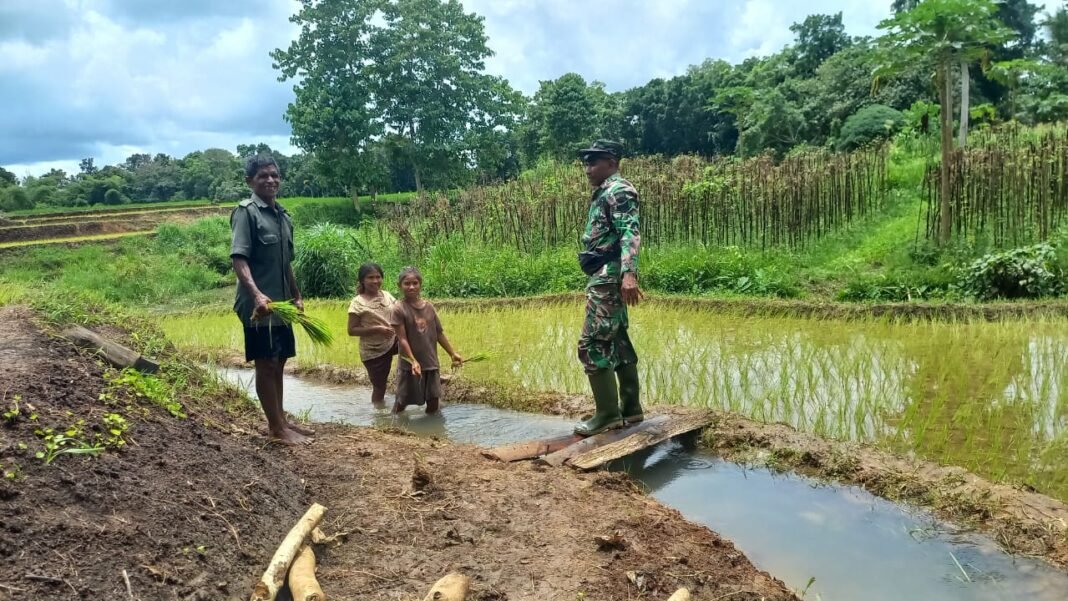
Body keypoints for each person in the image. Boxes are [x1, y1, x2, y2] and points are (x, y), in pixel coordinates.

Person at [230, 154, 312, 446]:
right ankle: (276, 429)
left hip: (281, 305)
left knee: (279, 361)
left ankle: (281, 421)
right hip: (258, 307)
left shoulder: (282, 216)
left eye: (274, 175)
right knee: (265, 363)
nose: (270, 180)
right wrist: (256, 294)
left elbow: (285, 263)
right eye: (263, 176)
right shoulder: (246, 212)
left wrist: (297, 295)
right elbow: (239, 258)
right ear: (250, 181)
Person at [573, 139, 644, 436]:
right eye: (586, 163)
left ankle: (607, 414)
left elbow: (630, 230)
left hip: (609, 273)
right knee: (616, 340)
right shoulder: (605, 191)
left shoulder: (619, 191)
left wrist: (629, 274)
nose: (587, 169)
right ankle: (630, 409)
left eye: (594, 162)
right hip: (605, 271)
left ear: (612, 162)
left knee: (591, 344)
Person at [390, 267, 463, 415]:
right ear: (400, 285)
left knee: (433, 400)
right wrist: (413, 360)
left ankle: (431, 434)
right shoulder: (399, 309)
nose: (411, 287)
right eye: (407, 283)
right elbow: (402, 338)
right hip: (409, 365)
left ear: (420, 284)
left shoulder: (429, 307)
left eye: (415, 283)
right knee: (402, 400)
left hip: (430, 363)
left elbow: (439, 333)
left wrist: (452, 353)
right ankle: (391, 428)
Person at [347, 262, 398, 409]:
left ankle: (431, 375)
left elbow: (399, 312)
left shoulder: (387, 295)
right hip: (373, 350)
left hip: (393, 340)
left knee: (416, 343)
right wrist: (377, 329)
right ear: (362, 280)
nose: (375, 281)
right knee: (380, 387)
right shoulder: (357, 303)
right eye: (370, 277)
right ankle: (379, 415)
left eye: (378, 277)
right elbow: (352, 330)